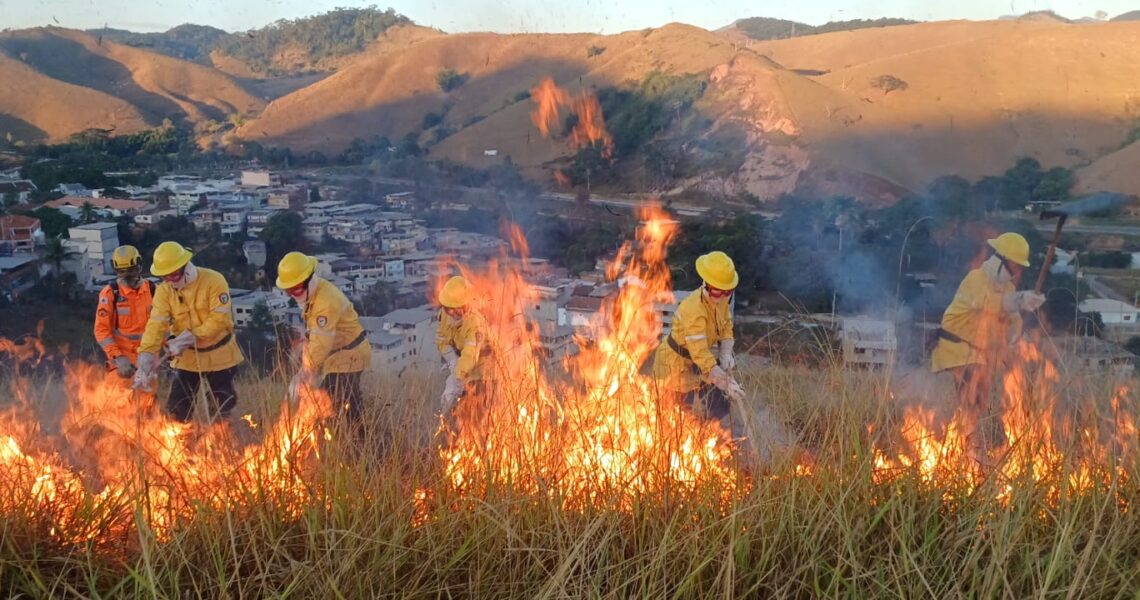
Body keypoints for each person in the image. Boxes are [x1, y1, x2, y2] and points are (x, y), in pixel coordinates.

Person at [930, 232, 1045, 457]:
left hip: (979, 356)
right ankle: (967, 454)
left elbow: (1012, 320)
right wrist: (1018, 300)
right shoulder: (976, 279)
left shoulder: (1008, 289)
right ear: (1000, 259)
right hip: (956, 350)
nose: (1018, 271)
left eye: (1020, 266)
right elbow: (987, 304)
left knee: (978, 404)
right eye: (1015, 265)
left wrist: (1019, 323)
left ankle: (967, 451)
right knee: (972, 401)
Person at [132, 241, 245, 423]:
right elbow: (156, 324)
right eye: (166, 277)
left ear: (186, 266)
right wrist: (145, 356)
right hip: (187, 358)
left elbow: (219, 319)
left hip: (221, 355)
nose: (171, 280)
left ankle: (221, 444)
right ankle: (178, 445)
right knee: (178, 409)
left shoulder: (214, 280)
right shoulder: (164, 291)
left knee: (221, 408)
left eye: (174, 274)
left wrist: (191, 336)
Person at [652, 251, 746, 432]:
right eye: (718, 291)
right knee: (678, 414)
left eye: (727, 292)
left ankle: (718, 437)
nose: (722, 297)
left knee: (719, 404)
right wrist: (726, 382)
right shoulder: (693, 309)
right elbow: (700, 353)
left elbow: (726, 325)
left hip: (700, 362)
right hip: (675, 364)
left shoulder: (721, 301)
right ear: (707, 285)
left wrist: (726, 351)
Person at [275, 252, 372, 422]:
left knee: (330, 403)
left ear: (309, 279)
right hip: (339, 356)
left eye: (296, 289)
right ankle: (364, 438)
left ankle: (356, 442)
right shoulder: (313, 293)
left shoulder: (325, 302)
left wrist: (302, 375)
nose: (292, 294)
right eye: (288, 290)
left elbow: (321, 345)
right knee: (347, 404)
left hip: (349, 356)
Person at [94, 245, 155, 381]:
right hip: (123, 362)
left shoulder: (152, 290)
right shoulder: (110, 293)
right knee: (120, 399)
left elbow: (162, 325)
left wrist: (171, 345)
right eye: (122, 272)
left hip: (148, 359)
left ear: (139, 266)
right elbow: (101, 330)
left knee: (148, 400)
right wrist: (119, 358)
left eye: (131, 271)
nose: (127, 276)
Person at [435, 276, 487, 431]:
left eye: (456, 309)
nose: (452, 313)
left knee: (478, 414)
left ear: (466, 306)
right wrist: (452, 360)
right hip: (461, 364)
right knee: (458, 414)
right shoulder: (444, 315)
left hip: (484, 371)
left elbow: (470, 355)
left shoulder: (475, 323)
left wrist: (457, 378)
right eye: (448, 308)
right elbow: (441, 339)